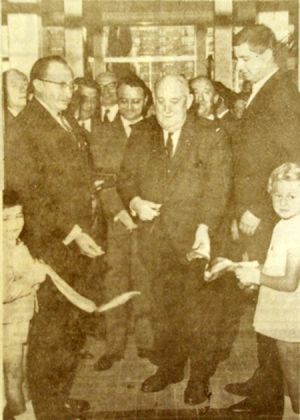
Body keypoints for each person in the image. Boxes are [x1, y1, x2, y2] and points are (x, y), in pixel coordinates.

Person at [118, 74, 232, 405]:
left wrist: (204, 228)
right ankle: (169, 367)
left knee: (199, 314)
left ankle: (199, 378)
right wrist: (136, 202)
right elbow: (125, 179)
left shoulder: (211, 135)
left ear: (189, 101)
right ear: (154, 102)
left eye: (175, 101)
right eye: (162, 102)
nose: (167, 109)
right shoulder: (143, 133)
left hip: (197, 241)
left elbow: (219, 188)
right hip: (155, 241)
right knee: (163, 311)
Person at [5, 55, 104, 419]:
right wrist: (74, 232)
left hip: (75, 243)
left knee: (71, 328)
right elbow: (31, 195)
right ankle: (48, 408)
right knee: (51, 332)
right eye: (61, 84)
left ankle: (59, 397)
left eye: (71, 83)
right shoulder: (24, 126)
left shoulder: (65, 120)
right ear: (38, 86)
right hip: (51, 246)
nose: (70, 90)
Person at [227, 24, 300, 416]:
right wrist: (242, 209)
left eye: (246, 59)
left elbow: (290, 162)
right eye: (238, 58)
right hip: (254, 212)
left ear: (269, 53)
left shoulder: (283, 93)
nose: (240, 67)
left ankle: (268, 396)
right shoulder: (262, 89)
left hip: (269, 215)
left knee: (272, 301)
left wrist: (258, 207)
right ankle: (264, 379)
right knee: (264, 302)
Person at [91, 75, 154, 370]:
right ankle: (113, 346)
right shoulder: (103, 133)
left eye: (136, 101)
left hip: (148, 220)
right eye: (124, 100)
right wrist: (119, 212)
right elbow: (100, 180)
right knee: (114, 281)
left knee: (145, 280)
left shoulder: (156, 131)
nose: (129, 107)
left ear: (146, 102)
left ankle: (147, 343)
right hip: (116, 220)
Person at [235, 162, 300, 418]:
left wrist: (256, 276)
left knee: (295, 379)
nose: (283, 202)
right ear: (270, 192)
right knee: (288, 374)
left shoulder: (296, 230)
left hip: (291, 314)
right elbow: (278, 266)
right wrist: (257, 266)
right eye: (278, 195)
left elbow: (289, 282)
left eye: (292, 196)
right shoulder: (284, 224)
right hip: (281, 310)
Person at [3, 190, 46, 420]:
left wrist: (33, 270)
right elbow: (4, 291)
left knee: (23, 375)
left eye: (18, 216)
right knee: (13, 377)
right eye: (5, 219)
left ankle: (29, 415)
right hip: (8, 323)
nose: (14, 224)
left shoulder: (17, 243)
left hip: (21, 318)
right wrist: (33, 279)